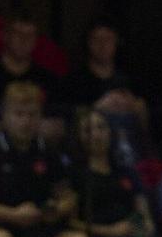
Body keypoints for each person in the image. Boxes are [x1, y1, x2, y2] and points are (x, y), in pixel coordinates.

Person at [0, 82, 83, 237]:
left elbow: (68, 197)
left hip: (43, 228)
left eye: (32, 114)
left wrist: (55, 210)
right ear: (5, 115)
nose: (26, 121)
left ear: (40, 116)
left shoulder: (47, 149)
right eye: (19, 114)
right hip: (1, 226)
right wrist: (12, 215)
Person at [54, 20, 149, 163]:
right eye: (97, 39)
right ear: (88, 43)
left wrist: (137, 108)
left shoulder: (129, 80)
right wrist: (97, 109)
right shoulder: (73, 81)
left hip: (126, 150)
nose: (102, 45)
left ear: (116, 43)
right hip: (85, 152)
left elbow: (144, 123)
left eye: (108, 39)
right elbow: (62, 118)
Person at [68, 107, 152, 237]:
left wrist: (140, 229)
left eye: (101, 127)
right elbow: (71, 222)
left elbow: (144, 216)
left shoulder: (128, 172)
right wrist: (111, 231)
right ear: (79, 136)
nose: (96, 135)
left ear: (110, 132)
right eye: (88, 130)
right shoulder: (73, 174)